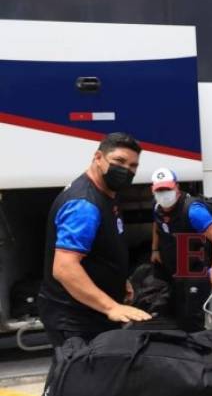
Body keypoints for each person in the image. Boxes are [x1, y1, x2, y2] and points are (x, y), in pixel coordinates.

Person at [37, 132, 152, 348]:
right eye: (119, 161)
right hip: (76, 319)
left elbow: (99, 248)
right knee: (79, 379)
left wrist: (119, 281)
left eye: (133, 166)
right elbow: (64, 268)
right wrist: (111, 307)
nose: (126, 170)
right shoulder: (84, 204)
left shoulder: (106, 193)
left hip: (89, 312)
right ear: (98, 157)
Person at [150, 167, 212, 330]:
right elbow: (157, 225)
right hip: (174, 271)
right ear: (152, 191)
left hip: (196, 271)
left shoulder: (193, 211)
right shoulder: (157, 207)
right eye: (160, 190)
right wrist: (155, 250)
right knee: (178, 315)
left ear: (177, 187)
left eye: (168, 188)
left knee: (194, 318)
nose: (164, 193)